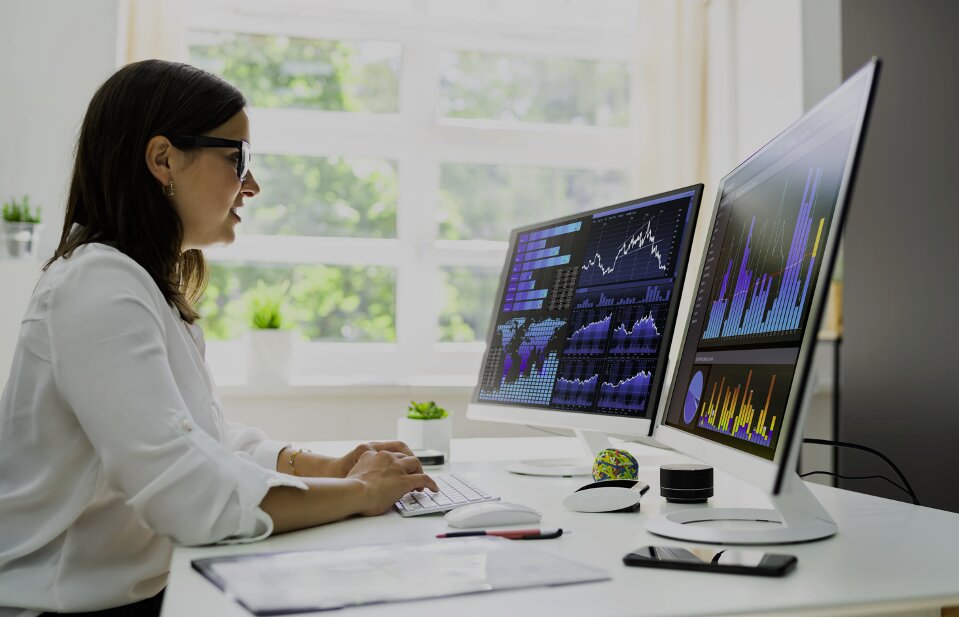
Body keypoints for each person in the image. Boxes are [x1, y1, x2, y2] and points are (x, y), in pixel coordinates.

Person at [0, 59, 438, 617]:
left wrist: (323, 465)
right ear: (163, 159)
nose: (251, 185)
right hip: (57, 606)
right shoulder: (98, 284)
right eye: (238, 159)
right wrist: (361, 494)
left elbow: (204, 442)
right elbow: (186, 494)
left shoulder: (136, 283)